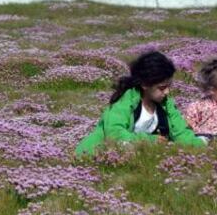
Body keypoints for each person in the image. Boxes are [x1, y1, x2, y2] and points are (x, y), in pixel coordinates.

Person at [76, 51, 205, 156]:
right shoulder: (125, 102)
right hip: (97, 154)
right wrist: (150, 140)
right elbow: (114, 133)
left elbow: (181, 132)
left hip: (135, 154)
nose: (167, 92)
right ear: (144, 84)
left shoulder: (166, 104)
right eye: (162, 87)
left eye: (169, 86)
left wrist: (202, 145)